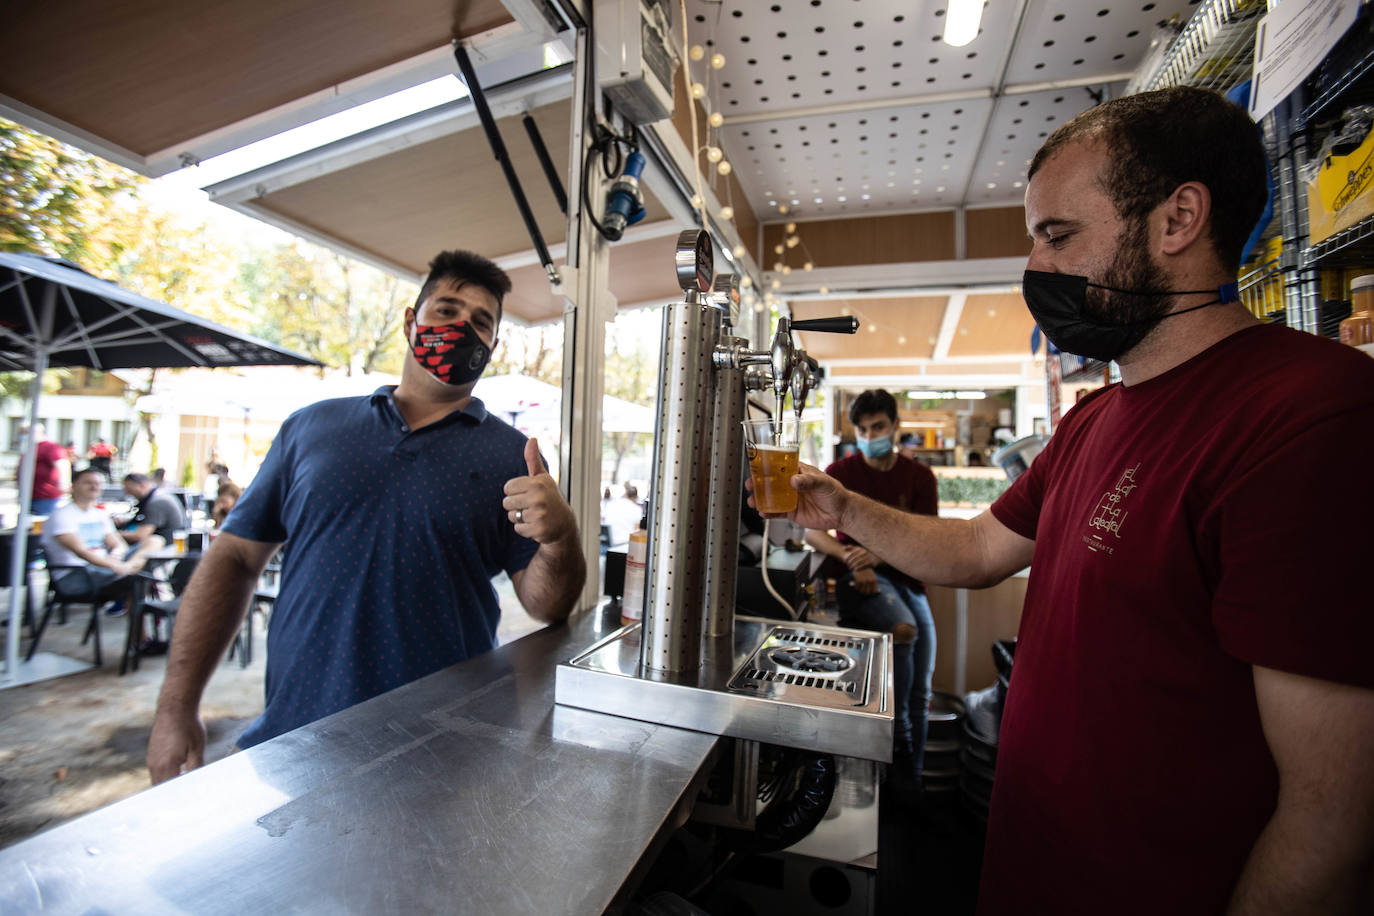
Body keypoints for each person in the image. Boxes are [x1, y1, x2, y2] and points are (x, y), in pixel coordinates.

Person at [756, 87, 1374, 914]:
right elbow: (977, 551)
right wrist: (840, 505)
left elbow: (1331, 819)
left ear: (1178, 218)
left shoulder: (1309, 414)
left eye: (1058, 235)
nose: (1036, 270)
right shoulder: (1093, 421)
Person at [148, 249, 586, 782]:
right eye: (446, 311)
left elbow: (546, 606)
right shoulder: (310, 429)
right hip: (290, 743)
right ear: (411, 321)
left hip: (442, 756)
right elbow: (236, 557)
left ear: (491, 348)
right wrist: (175, 708)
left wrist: (560, 539)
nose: (462, 328)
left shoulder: (512, 456)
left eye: (480, 322)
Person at [804, 389, 938, 793]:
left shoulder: (920, 478)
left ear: (896, 427)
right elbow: (813, 533)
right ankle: (897, 769)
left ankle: (911, 784)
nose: (869, 435)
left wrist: (873, 556)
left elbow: (928, 538)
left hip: (908, 579)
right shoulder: (839, 472)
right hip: (856, 579)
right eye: (862, 429)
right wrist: (850, 557)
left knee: (922, 688)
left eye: (878, 427)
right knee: (906, 631)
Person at [41, 467, 162, 601]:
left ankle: (130, 569)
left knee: (155, 541)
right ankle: (131, 575)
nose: (94, 486)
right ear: (73, 486)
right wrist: (113, 565)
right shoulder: (62, 515)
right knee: (139, 578)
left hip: (105, 568)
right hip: (77, 574)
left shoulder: (99, 514)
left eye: (98, 483)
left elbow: (118, 543)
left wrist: (116, 556)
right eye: (88, 482)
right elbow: (81, 552)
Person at [121, 472, 188, 546]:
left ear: (142, 485)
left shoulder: (157, 502)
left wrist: (113, 534)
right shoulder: (160, 495)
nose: (128, 493)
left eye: (130, 489)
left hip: (164, 548)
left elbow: (140, 536)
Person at [28, 424, 70, 515]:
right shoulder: (31, 447)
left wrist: (64, 484)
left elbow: (62, 464)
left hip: (44, 497)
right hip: (30, 495)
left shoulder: (49, 447)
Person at [602, 483, 643, 548]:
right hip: (626, 545)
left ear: (625, 494)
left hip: (607, 544)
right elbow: (637, 530)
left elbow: (602, 519)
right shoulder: (637, 509)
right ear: (636, 497)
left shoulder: (611, 504)